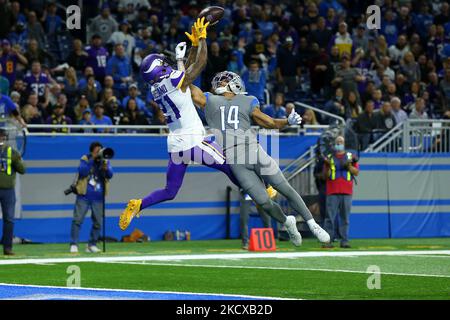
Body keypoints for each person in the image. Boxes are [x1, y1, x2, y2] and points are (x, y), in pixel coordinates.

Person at [119, 18, 244, 231]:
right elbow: (198, 66)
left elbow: (184, 76)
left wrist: (190, 49)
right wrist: (202, 40)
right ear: (160, 69)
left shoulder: (156, 88)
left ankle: (139, 204)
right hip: (193, 141)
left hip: (176, 145)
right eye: (163, 63)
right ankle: (262, 188)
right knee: (230, 164)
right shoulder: (171, 81)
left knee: (170, 191)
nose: (165, 63)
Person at [190, 71, 330, 246]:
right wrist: (181, 64)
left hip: (254, 151)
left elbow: (268, 122)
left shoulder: (247, 100)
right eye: (219, 80)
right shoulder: (210, 100)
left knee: (283, 187)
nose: (220, 82)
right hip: (235, 160)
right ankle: (288, 222)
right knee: (263, 202)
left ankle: (313, 224)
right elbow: (188, 86)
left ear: (235, 84)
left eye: (225, 80)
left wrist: (287, 121)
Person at [70, 142, 113, 253]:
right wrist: (93, 160)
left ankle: (92, 244)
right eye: (97, 150)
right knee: (77, 220)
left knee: (98, 222)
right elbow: (82, 171)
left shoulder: (105, 161)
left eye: (100, 150)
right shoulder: (85, 158)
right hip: (84, 195)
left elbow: (110, 175)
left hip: (98, 196)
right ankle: (74, 244)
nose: (99, 152)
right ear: (92, 151)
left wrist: (104, 166)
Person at [322, 135, 359, 248]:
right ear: (334, 143)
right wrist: (327, 166)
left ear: (344, 143)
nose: (339, 143)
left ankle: (344, 241)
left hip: (346, 191)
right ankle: (327, 241)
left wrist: (348, 165)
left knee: (345, 218)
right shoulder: (329, 157)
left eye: (341, 142)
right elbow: (325, 176)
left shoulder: (350, 156)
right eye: (337, 142)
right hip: (332, 191)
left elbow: (356, 172)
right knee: (330, 218)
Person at [0, 128, 25, 255]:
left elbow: (22, 170)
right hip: (7, 190)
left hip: (8, 190)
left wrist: (18, 160)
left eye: (3, 136)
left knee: (9, 219)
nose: (1, 139)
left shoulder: (12, 152)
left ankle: (7, 248)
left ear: (5, 138)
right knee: (8, 219)